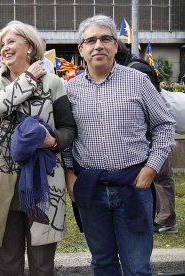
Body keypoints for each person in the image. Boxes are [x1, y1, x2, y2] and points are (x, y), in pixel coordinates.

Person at [63, 15, 175, 275]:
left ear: (116, 45)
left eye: (105, 39)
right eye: (90, 40)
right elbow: (67, 136)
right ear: (81, 49)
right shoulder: (70, 90)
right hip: (90, 189)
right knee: (102, 263)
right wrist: (70, 175)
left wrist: (151, 170)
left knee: (137, 267)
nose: (98, 45)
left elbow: (164, 125)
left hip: (133, 187)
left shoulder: (138, 82)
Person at [0, 21, 76, 275]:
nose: (5, 48)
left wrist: (53, 140)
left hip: (43, 184)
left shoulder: (54, 84)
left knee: (42, 264)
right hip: (3, 183)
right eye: (2, 44)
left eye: (11, 42)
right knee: (9, 262)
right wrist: (28, 78)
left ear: (30, 47)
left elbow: (69, 128)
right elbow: (1, 107)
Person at [115, 40, 178, 234]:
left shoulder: (137, 72)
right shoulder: (135, 66)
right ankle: (162, 219)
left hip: (151, 134)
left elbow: (151, 109)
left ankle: (167, 221)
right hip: (147, 133)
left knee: (160, 175)